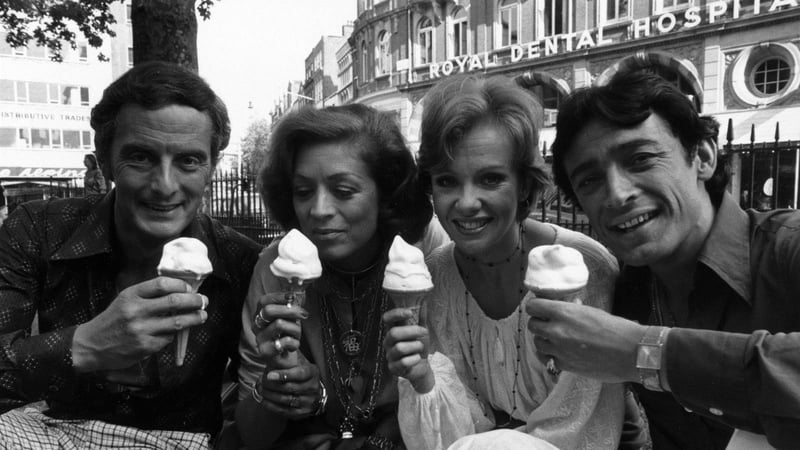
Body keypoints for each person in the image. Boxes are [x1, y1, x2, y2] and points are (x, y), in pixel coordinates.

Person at [526, 70, 800, 448]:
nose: (617, 194)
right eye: (589, 181)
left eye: (640, 159)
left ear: (702, 157)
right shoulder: (623, 294)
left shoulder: (789, 249)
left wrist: (645, 353)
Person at [0, 61, 261, 448]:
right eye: (140, 157)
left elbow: (252, 399)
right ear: (105, 160)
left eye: (189, 160)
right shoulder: (39, 229)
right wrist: (84, 346)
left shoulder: (242, 262)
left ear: (211, 168)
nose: (164, 185)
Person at [382, 74, 626, 449]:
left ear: (525, 185)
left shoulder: (584, 268)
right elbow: (453, 433)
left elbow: (584, 428)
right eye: (447, 181)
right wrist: (423, 379)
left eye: (490, 179)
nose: (465, 202)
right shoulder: (435, 277)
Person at [236, 104, 442, 449]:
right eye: (303, 192)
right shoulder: (276, 266)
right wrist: (278, 389)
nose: (318, 210)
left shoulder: (424, 250)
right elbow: (250, 435)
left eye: (343, 191)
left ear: (387, 193)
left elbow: (459, 407)